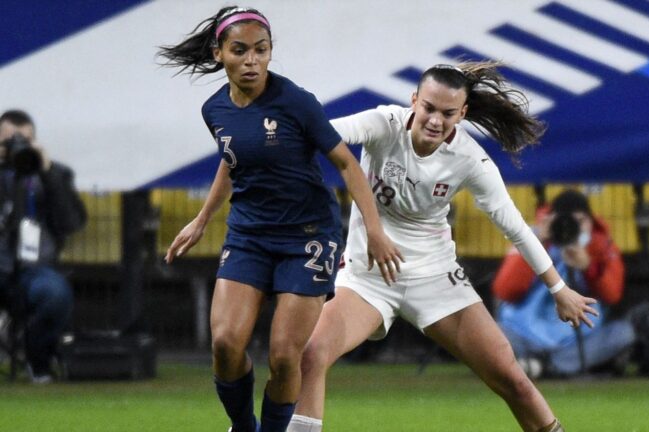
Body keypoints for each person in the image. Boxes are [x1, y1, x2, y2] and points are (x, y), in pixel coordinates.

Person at [287, 62, 598, 432]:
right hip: (368, 277)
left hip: (435, 277)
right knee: (312, 354)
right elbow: (324, 133)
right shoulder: (383, 124)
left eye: (448, 114)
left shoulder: (470, 159)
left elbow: (515, 227)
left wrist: (559, 289)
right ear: (414, 100)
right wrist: (273, 127)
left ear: (462, 114)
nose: (435, 121)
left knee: (511, 378)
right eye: (429, 108)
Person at [157, 6, 401, 432]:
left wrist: (375, 230)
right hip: (249, 235)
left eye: (261, 50)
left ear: (271, 52)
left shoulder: (297, 103)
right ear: (219, 53)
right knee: (225, 344)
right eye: (240, 50)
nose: (252, 60)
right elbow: (233, 160)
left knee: (286, 356)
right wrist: (202, 219)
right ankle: (242, 427)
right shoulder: (214, 110)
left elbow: (347, 164)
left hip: (307, 237)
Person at [493, 189, 636, 377]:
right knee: (492, 332)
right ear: (550, 220)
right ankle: (552, 366)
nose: (570, 227)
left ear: (591, 221)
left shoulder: (600, 244)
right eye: (563, 220)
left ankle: (541, 366)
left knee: (623, 333)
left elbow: (612, 295)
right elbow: (505, 291)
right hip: (524, 332)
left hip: (576, 341)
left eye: (580, 221)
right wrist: (537, 245)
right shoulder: (529, 238)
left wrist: (589, 267)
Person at [0, 109, 87, 383]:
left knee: (55, 294)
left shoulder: (54, 174)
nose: (16, 148)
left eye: (24, 141)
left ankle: (38, 360)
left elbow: (71, 223)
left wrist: (47, 172)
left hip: (34, 270)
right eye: (8, 142)